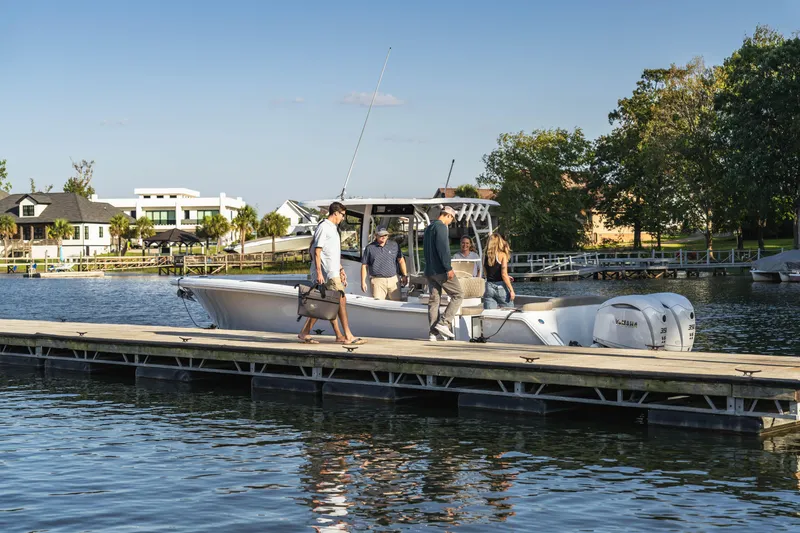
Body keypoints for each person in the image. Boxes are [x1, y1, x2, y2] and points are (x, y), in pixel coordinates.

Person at [298, 202, 365, 345]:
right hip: (327, 273)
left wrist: (341, 269)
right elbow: (317, 251)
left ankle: (311, 333)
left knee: (326, 304)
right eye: (342, 215)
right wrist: (319, 273)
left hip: (332, 271)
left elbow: (331, 253)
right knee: (340, 300)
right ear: (335, 213)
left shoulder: (333, 228)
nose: (343, 218)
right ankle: (348, 335)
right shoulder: (324, 227)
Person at [423, 205, 463, 340]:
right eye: (452, 219)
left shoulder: (429, 228)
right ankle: (444, 323)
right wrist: (448, 268)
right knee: (458, 294)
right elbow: (443, 249)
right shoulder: (441, 227)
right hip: (441, 270)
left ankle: (432, 333)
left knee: (434, 301)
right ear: (448, 215)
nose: (451, 222)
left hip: (429, 270)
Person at [360, 226, 408, 300]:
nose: (383, 237)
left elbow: (401, 260)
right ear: (376, 235)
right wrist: (363, 281)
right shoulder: (369, 248)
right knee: (378, 306)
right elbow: (364, 266)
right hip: (377, 281)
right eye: (381, 235)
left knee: (396, 305)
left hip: (393, 280)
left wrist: (404, 275)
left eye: (385, 235)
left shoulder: (394, 245)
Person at [483, 233, 516, 309]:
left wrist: (507, 277)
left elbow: (486, 273)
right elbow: (504, 274)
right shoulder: (502, 255)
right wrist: (511, 290)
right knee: (509, 311)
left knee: (489, 314)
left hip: (489, 286)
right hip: (500, 286)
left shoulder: (484, 255)